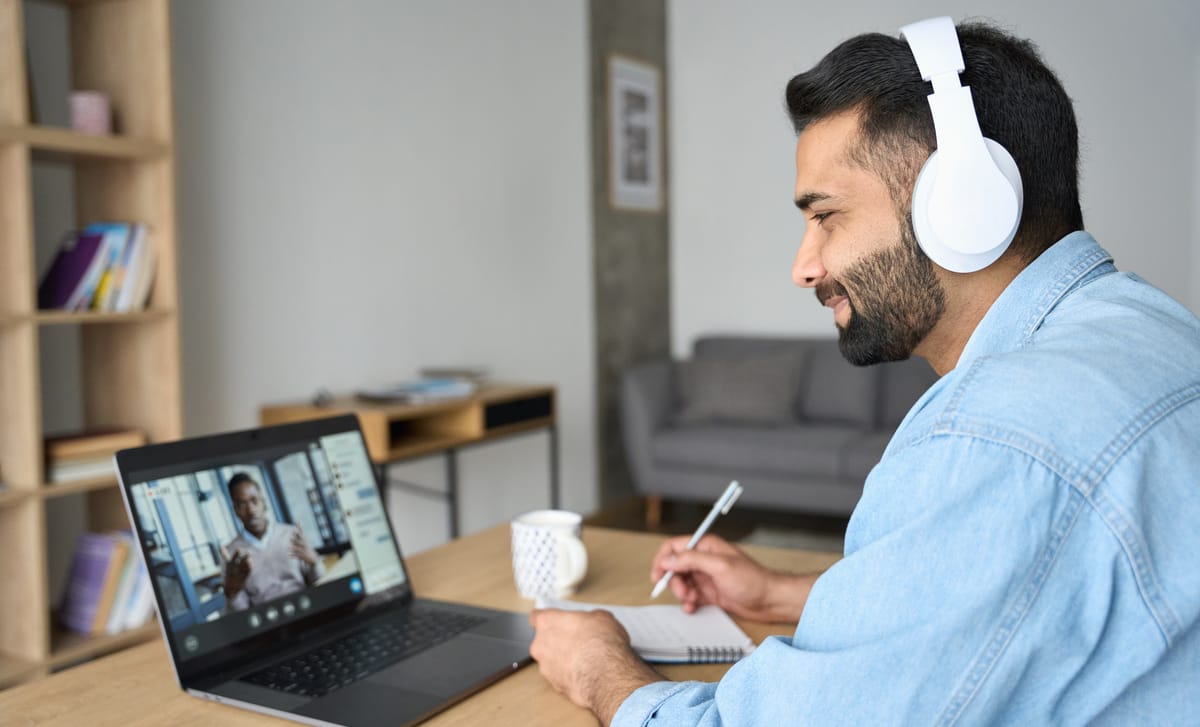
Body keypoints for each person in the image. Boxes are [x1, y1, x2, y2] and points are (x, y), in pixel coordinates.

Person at [529, 18, 1200, 726]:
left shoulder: (995, 436)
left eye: (826, 216)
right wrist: (781, 593)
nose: (803, 266)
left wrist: (599, 665)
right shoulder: (1158, 329)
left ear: (962, 205)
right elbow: (1019, 594)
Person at [222, 472, 325, 611]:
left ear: (263, 502)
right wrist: (232, 593)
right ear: (235, 511)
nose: (251, 510)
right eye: (242, 504)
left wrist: (315, 562)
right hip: (268, 618)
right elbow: (241, 611)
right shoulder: (232, 554)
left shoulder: (292, 535)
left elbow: (320, 583)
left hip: (306, 607)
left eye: (254, 500)